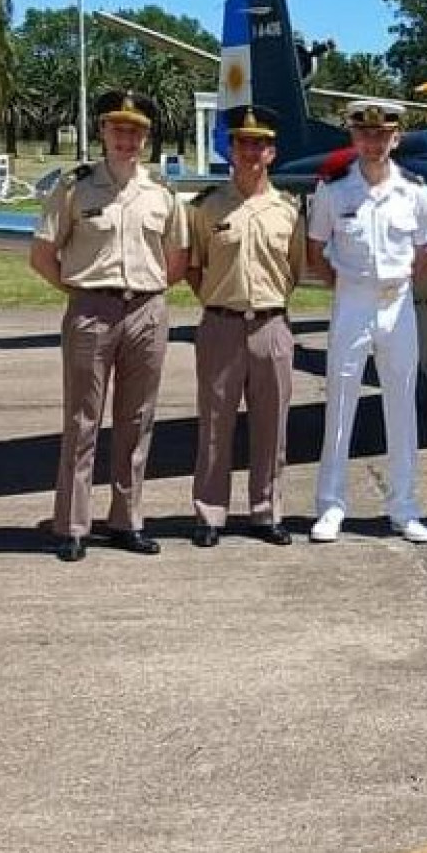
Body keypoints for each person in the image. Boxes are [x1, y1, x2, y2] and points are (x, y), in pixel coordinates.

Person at [29, 89, 189, 562]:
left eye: (136, 130)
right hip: (91, 310)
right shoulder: (74, 186)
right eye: (118, 128)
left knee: (137, 421)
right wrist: (83, 294)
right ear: (102, 131)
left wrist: (147, 294)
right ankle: (73, 524)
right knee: (82, 422)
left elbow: (176, 260)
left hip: (146, 311)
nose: (126, 137)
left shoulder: (162, 192)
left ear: (147, 137)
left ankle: (127, 520)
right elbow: (42, 255)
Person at [306, 99, 427, 543]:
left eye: (382, 135)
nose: (373, 142)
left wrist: (395, 284)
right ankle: (330, 504)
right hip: (352, 302)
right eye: (365, 134)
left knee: (401, 405)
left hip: (398, 304)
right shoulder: (335, 190)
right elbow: (316, 249)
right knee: (340, 403)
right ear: (353, 137)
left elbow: (425, 253)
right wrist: (347, 285)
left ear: (396, 138)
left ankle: (404, 506)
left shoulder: (415, 191)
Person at [186, 104, 306, 548]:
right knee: (215, 425)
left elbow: (293, 269)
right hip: (221, 324)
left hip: (271, 326)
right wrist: (220, 301)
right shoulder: (206, 207)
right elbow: (194, 266)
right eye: (242, 143)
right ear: (230, 150)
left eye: (259, 144)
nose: (251, 152)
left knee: (272, 425)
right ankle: (209, 512)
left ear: (271, 153)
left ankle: (266, 511)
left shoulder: (289, 211)